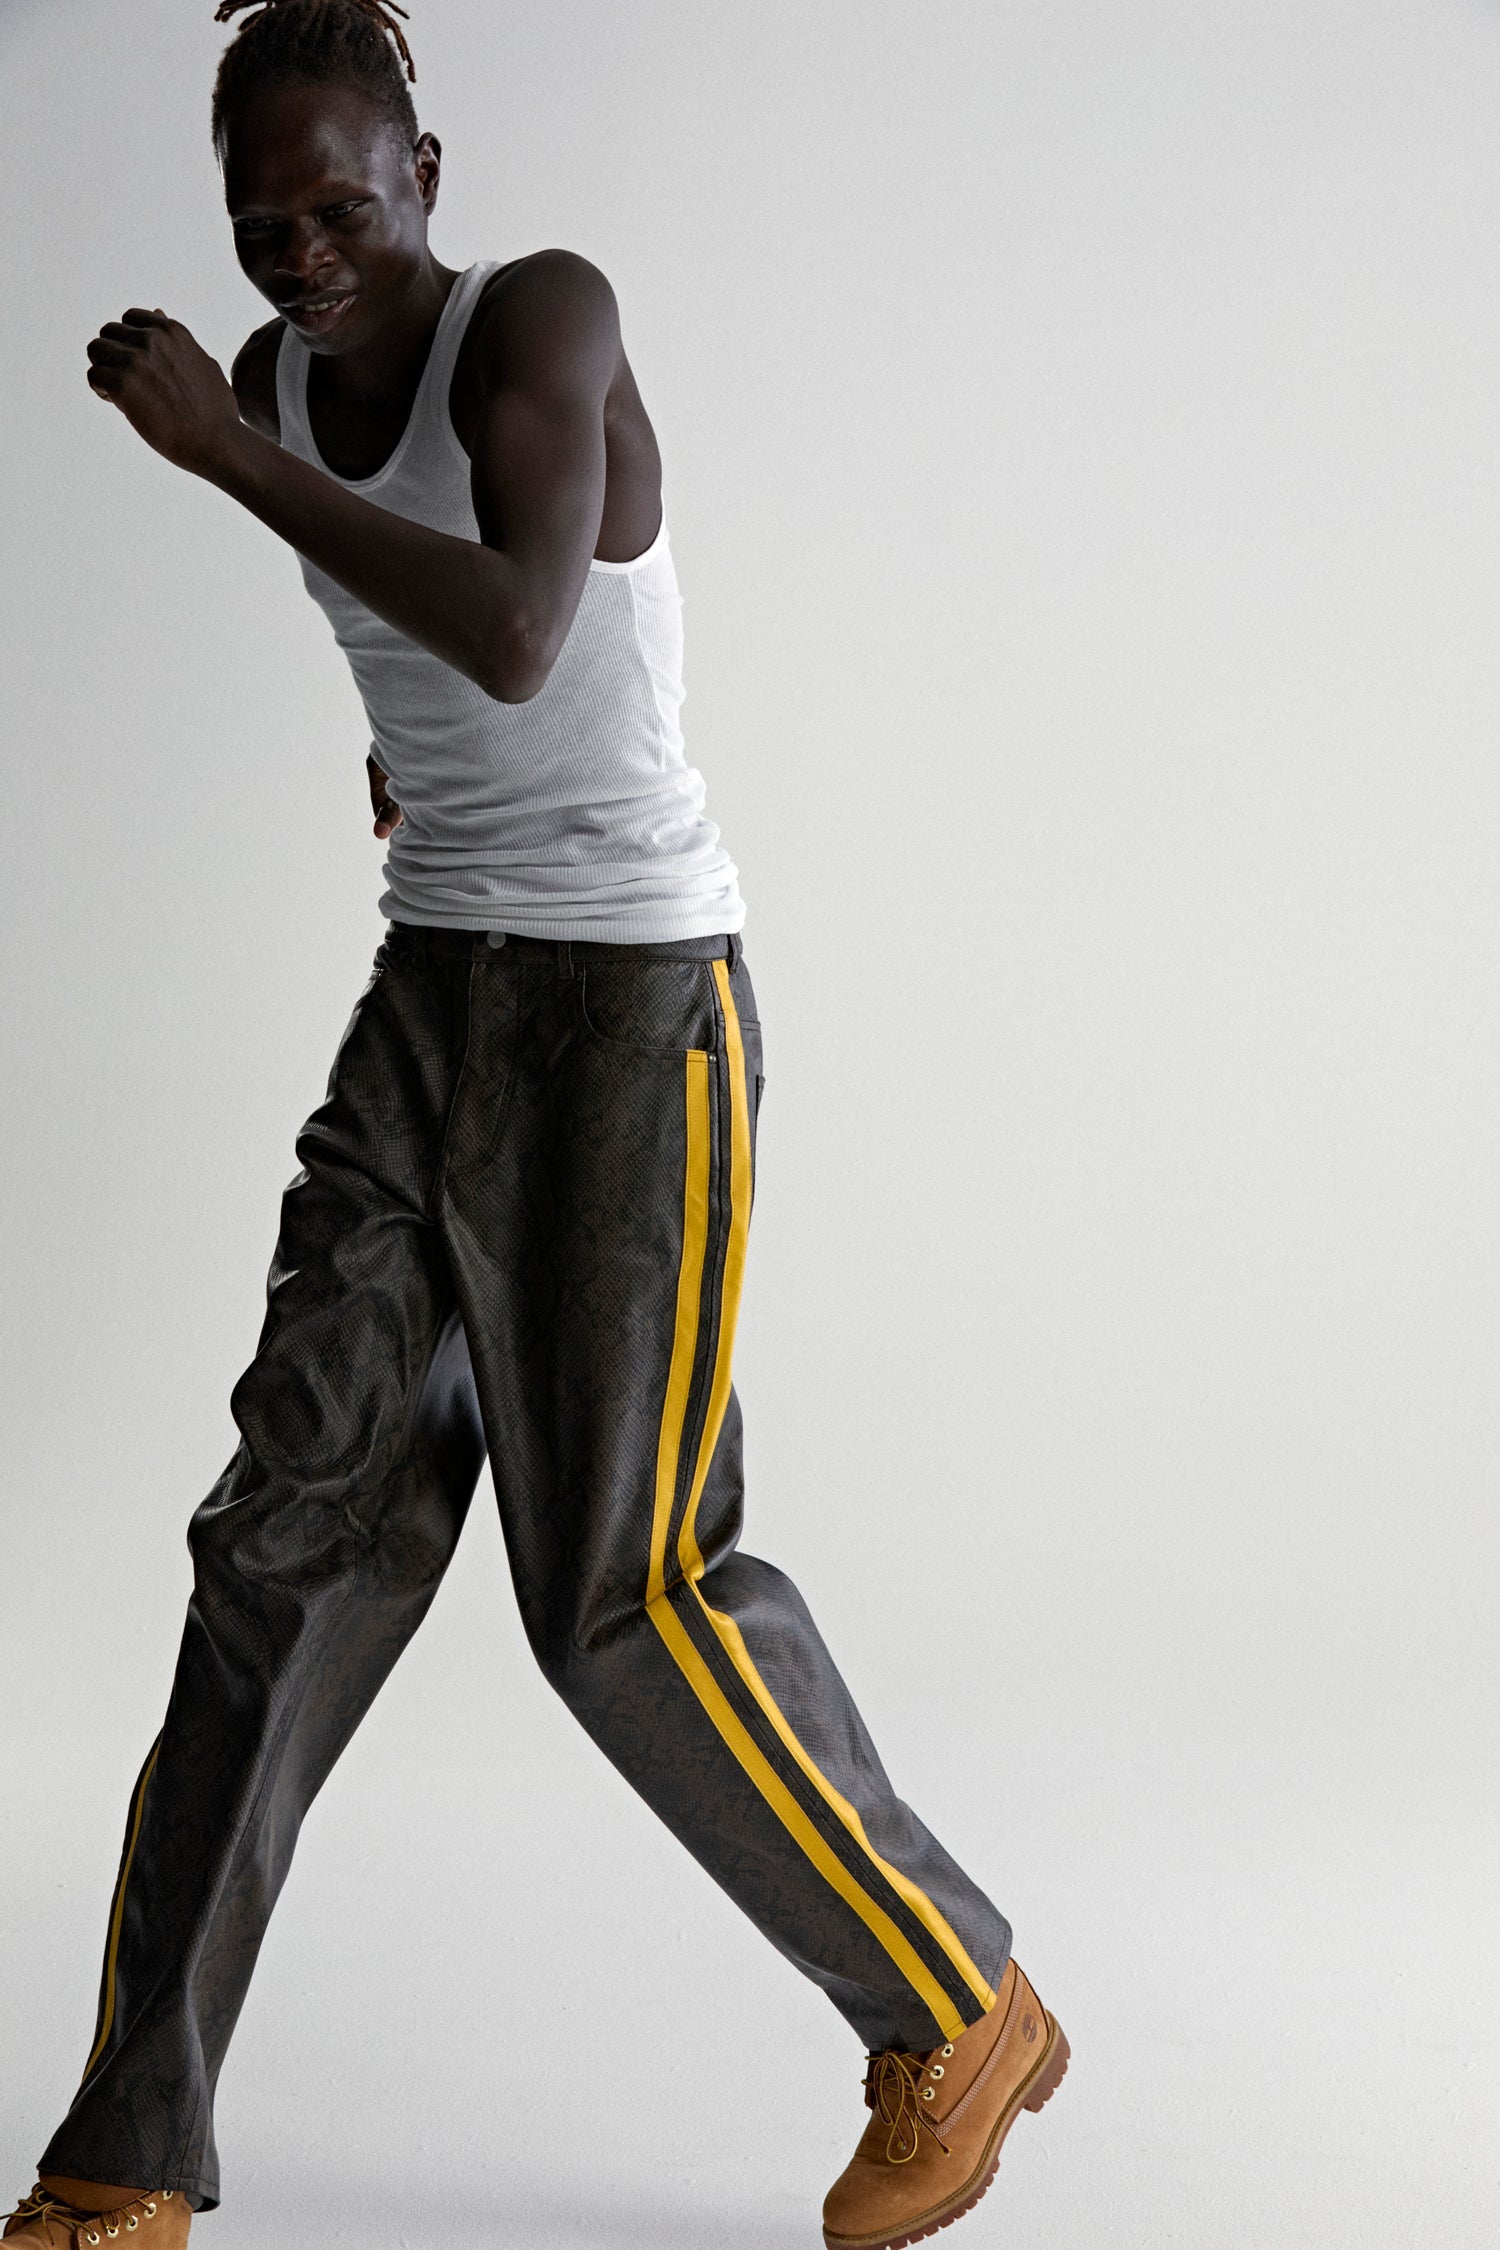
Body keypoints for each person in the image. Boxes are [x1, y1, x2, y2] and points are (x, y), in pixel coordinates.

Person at [5, 5, 1067, 2245]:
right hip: (432, 997)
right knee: (281, 1543)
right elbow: (445, 690)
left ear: (428, 171)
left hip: (631, 1017)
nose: (306, 255)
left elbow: (513, 624)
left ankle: (952, 1998)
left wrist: (227, 459)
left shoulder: (541, 315)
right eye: (265, 222)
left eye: (344, 203)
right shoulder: (280, 378)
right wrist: (400, 768)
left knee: (617, 1591)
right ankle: (126, 2150)